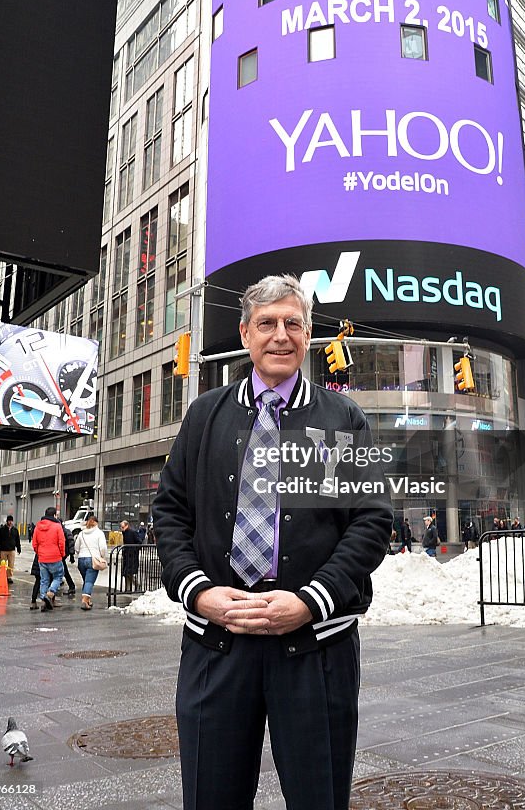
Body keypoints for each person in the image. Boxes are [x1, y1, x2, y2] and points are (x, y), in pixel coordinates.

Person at [153, 274, 392, 810]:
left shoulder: (344, 418)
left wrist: (311, 601)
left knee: (319, 798)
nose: (280, 336)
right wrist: (197, 591)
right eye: (267, 324)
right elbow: (169, 512)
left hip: (316, 650)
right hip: (217, 643)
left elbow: (372, 521)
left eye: (292, 324)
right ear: (245, 333)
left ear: (309, 334)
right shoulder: (204, 415)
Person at [31, 507, 65, 611]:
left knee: (44, 580)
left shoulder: (38, 526)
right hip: (55, 557)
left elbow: (34, 543)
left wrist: (39, 552)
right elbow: (61, 542)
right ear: (54, 515)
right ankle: (50, 593)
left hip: (42, 558)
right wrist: (62, 554)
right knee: (58, 576)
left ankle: (43, 601)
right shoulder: (57, 526)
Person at [74, 515, 108, 610]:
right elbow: (103, 548)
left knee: (86, 581)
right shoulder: (99, 533)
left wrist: (80, 552)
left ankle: (88, 600)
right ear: (96, 523)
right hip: (93, 559)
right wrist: (102, 556)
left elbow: (76, 547)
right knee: (89, 581)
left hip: (81, 559)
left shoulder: (82, 533)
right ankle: (84, 601)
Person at [0, 515, 21, 584]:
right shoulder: (2, 529)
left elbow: (17, 540)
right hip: (3, 549)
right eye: (9, 521)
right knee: (1, 563)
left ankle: (9, 577)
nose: (10, 522)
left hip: (12, 550)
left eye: (11, 521)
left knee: (11, 564)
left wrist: (18, 548)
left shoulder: (15, 530)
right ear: (7, 521)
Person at [120, 520, 141, 591]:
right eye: (121, 527)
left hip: (132, 555)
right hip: (126, 555)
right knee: (126, 573)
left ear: (127, 525)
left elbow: (139, 542)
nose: (121, 528)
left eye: (122, 527)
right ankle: (128, 588)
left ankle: (136, 584)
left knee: (129, 572)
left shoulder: (133, 532)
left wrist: (134, 550)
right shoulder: (124, 533)